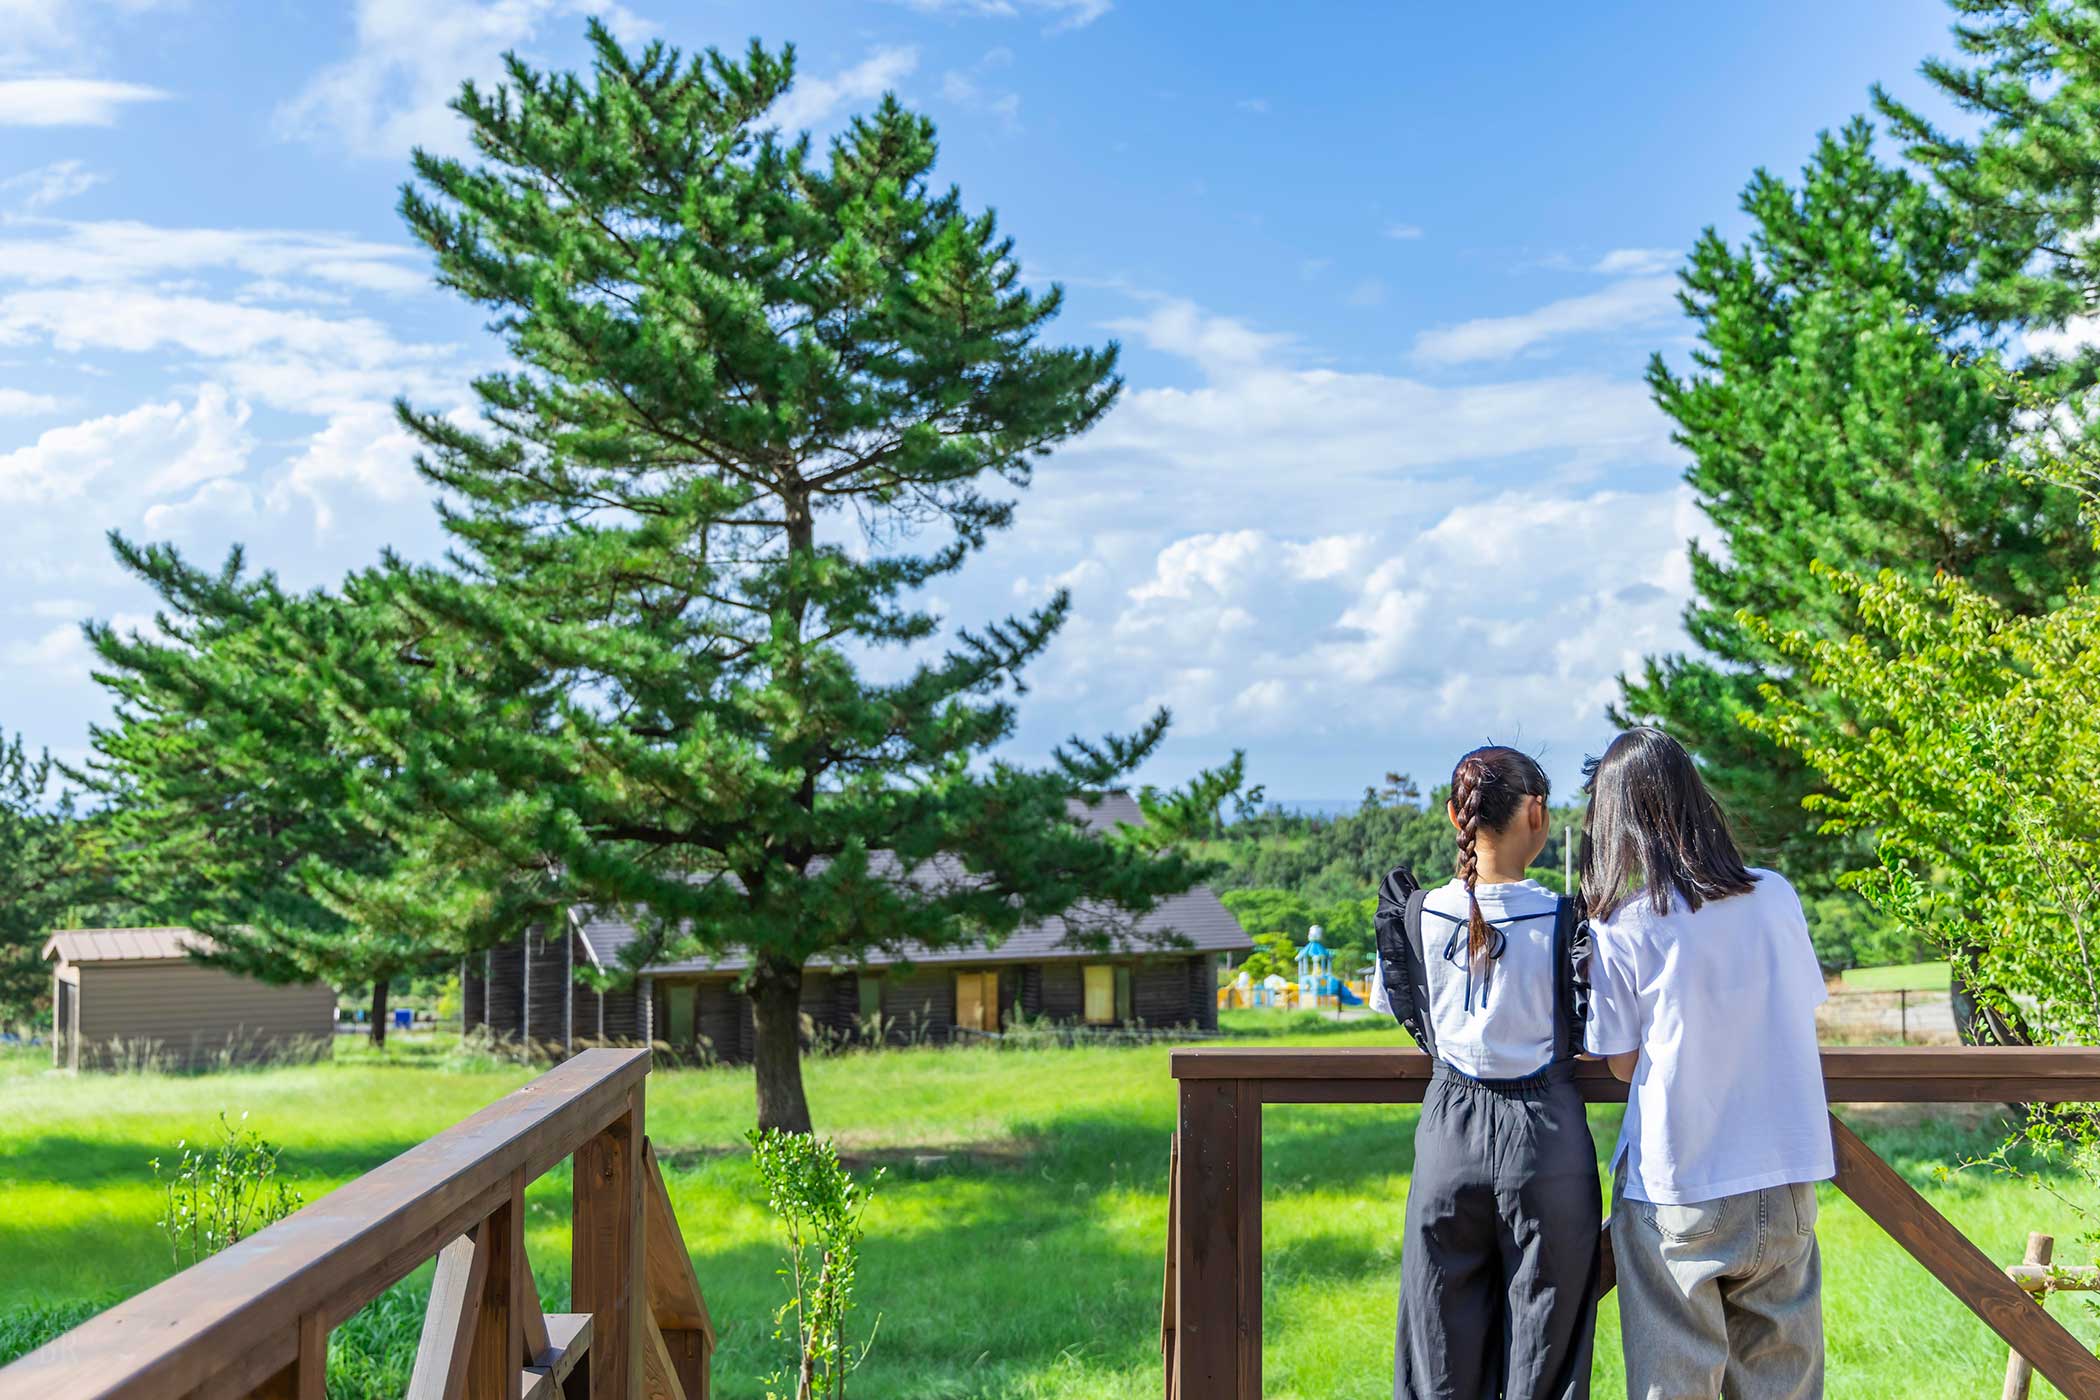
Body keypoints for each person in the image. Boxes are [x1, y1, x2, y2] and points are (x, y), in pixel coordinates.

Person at [1582, 727, 1832, 1400]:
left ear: (1616, 823)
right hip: (1784, 1176)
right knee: (1785, 1383)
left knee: (1676, 1384)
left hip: (1679, 1182)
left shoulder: (1624, 926)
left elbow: (1619, 1061)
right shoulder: (1776, 894)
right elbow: (1801, 1008)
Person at [1374, 744, 1599, 1400]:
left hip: (1448, 1136)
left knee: (1437, 1353)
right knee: (1547, 1360)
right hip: (1547, 1144)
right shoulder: (1565, 919)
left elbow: (1414, 1017)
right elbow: (1590, 1027)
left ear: (1455, 815)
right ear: (1537, 813)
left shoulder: (1414, 914)